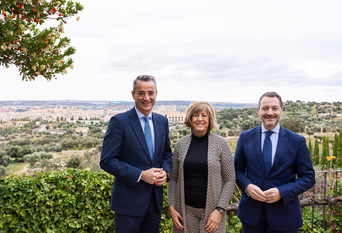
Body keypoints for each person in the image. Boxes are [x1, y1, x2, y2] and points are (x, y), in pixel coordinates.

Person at [234, 92, 316, 233]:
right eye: (265, 108)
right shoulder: (245, 137)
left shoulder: (297, 141)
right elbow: (236, 171)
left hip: (285, 217)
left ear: (281, 111)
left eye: (275, 108)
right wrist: (247, 186)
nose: (270, 112)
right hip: (252, 217)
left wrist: (281, 192)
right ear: (258, 111)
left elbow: (308, 177)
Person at [100, 75, 172, 233]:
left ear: (156, 94)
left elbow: (167, 154)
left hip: (154, 202)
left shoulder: (162, 122)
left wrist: (166, 172)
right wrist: (141, 174)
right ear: (133, 94)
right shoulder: (119, 122)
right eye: (141, 93)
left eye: (150, 93)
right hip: (128, 205)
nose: (146, 98)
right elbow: (107, 160)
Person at [168, 101, 235, 233]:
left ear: (210, 119)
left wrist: (220, 210)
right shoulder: (180, 144)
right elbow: (174, 178)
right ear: (190, 118)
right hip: (185, 211)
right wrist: (172, 207)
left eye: (204, 115)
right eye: (195, 115)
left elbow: (230, 179)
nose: (200, 119)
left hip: (212, 214)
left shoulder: (221, 144)